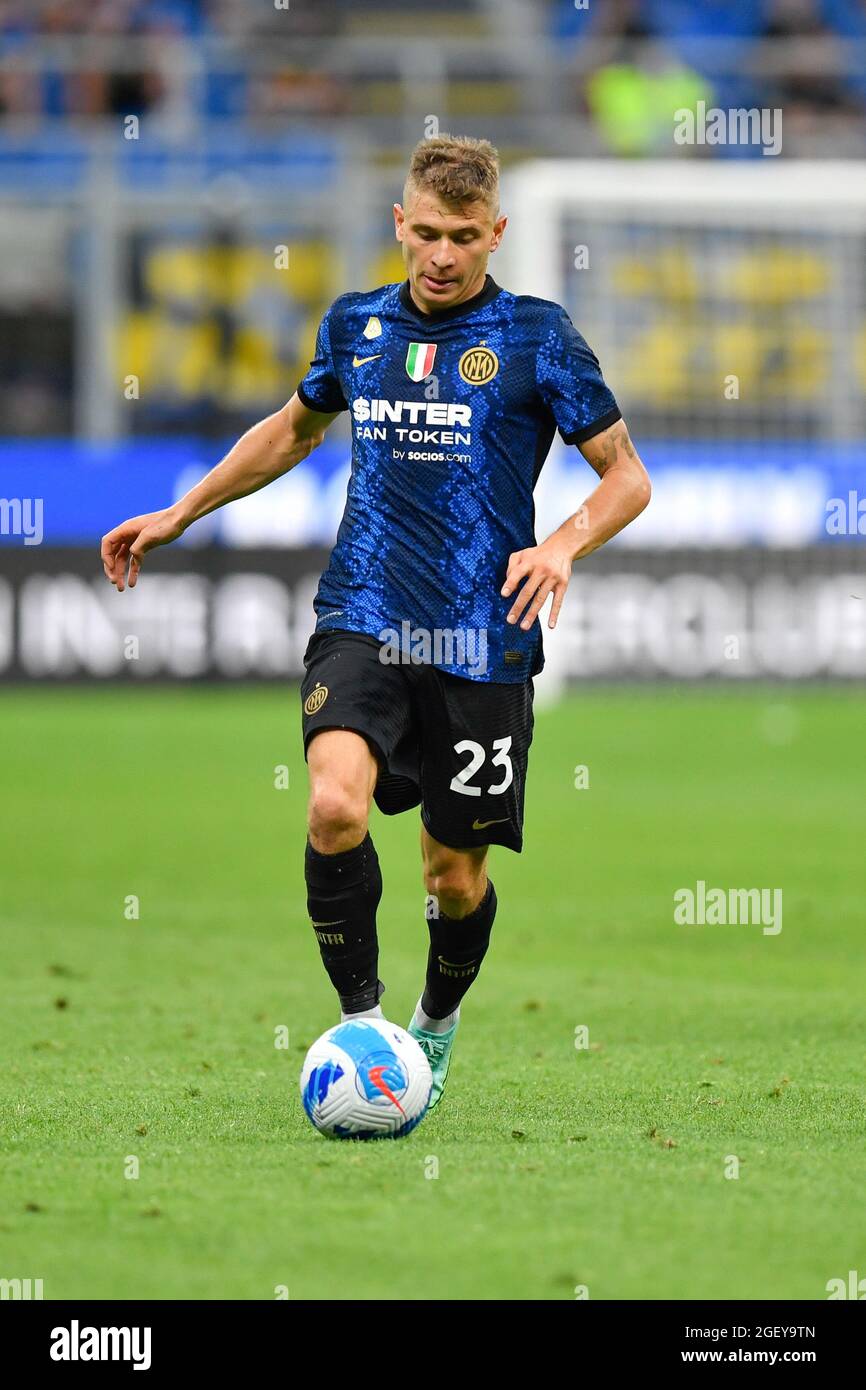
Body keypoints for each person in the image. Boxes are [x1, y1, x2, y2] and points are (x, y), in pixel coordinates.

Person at [101, 134, 651, 1111]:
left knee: (451, 874)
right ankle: (362, 1024)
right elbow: (289, 430)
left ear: (495, 234)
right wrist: (180, 513)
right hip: (362, 615)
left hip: (483, 639)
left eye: (463, 238)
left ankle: (431, 1026)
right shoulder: (355, 325)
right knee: (332, 806)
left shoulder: (536, 337)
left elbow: (626, 477)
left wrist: (561, 542)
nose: (441, 255)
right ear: (399, 224)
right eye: (426, 233)